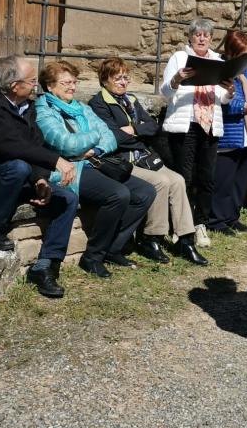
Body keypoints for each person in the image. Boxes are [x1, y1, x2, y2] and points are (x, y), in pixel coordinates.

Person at [0, 55, 77, 299]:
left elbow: (34, 143)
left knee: (67, 199)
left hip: (14, 177)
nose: (36, 87)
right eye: (31, 81)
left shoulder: (26, 108)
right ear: (13, 85)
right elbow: (10, 147)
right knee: (17, 166)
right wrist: (55, 162)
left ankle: (46, 265)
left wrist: (40, 178)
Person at [35, 60, 156, 278]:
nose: (72, 87)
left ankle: (113, 248)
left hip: (96, 161)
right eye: (65, 83)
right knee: (118, 194)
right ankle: (93, 255)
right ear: (50, 86)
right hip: (69, 169)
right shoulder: (44, 110)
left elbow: (110, 138)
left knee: (145, 192)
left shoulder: (82, 108)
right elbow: (66, 145)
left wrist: (93, 150)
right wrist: (93, 137)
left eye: (74, 82)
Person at [88, 58, 207, 266]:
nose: (123, 82)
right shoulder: (98, 104)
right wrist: (135, 131)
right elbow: (112, 137)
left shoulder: (131, 100)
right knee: (161, 181)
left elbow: (152, 127)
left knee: (178, 180)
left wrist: (133, 130)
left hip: (144, 157)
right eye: (118, 78)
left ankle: (186, 238)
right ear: (105, 80)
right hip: (121, 160)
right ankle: (152, 237)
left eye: (126, 77)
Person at [161, 18, 235, 249]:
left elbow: (221, 98)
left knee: (207, 178)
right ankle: (181, 227)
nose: (202, 38)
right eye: (197, 35)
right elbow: (165, 92)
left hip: (210, 124)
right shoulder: (179, 58)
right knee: (184, 177)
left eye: (206, 35)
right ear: (191, 37)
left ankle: (200, 223)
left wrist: (230, 91)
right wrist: (177, 79)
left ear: (211, 39)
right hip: (187, 124)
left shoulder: (217, 60)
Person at [209, 30, 247, 235]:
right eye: (242, 55)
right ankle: (217, 220)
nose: (246, 59)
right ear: (231, 53)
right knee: (224, 181)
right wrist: (243, 106)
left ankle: (232, 217)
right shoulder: (222, 72)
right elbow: (219, 104)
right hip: (230, 134)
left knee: (240, 181)